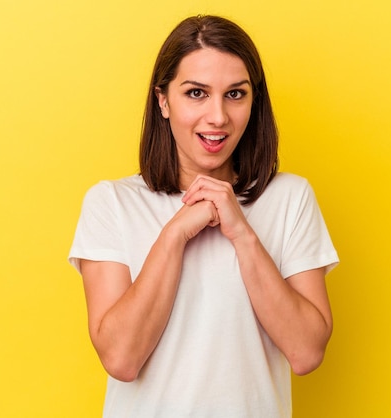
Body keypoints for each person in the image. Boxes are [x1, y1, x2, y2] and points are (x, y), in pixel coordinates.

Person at [69, 14, 339, 418]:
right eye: (196, 93)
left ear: (254, 100)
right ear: (163, 100)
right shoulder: (111, 202)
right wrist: (175, 234)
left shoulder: (289, 197)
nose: (218, 117)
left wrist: (242, 233)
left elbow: (306, 352)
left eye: (235, 94)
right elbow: (121, 360)